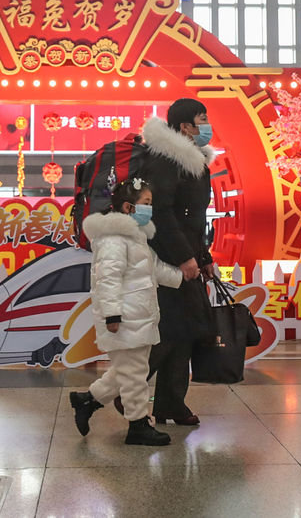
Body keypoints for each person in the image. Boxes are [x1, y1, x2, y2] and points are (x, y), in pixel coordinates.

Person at [69, 178, 183, 446]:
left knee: (129, 371)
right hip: (124, 318)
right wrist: (112, 315)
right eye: (146, 203)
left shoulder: (136, 236)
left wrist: (182, 276)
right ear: (128, 207)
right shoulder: (114, 238)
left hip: (139, 315)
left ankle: (87, 400)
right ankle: (138, 424)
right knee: (134, 374)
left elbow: (151, 269)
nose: (149, 209)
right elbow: (107, 278)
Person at [139, 98, 215, 426]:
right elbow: (160, 213)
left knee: (182, 330)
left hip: (187, 259)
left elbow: (193, 219)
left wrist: (203, 256)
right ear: (185, 126)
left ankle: (171, 403)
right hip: (165, 260)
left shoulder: (193, 162)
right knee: (170, 330)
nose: (207, 127)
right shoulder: (166, 161)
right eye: (202, 120)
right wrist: (183, 257)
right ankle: (113, 390)